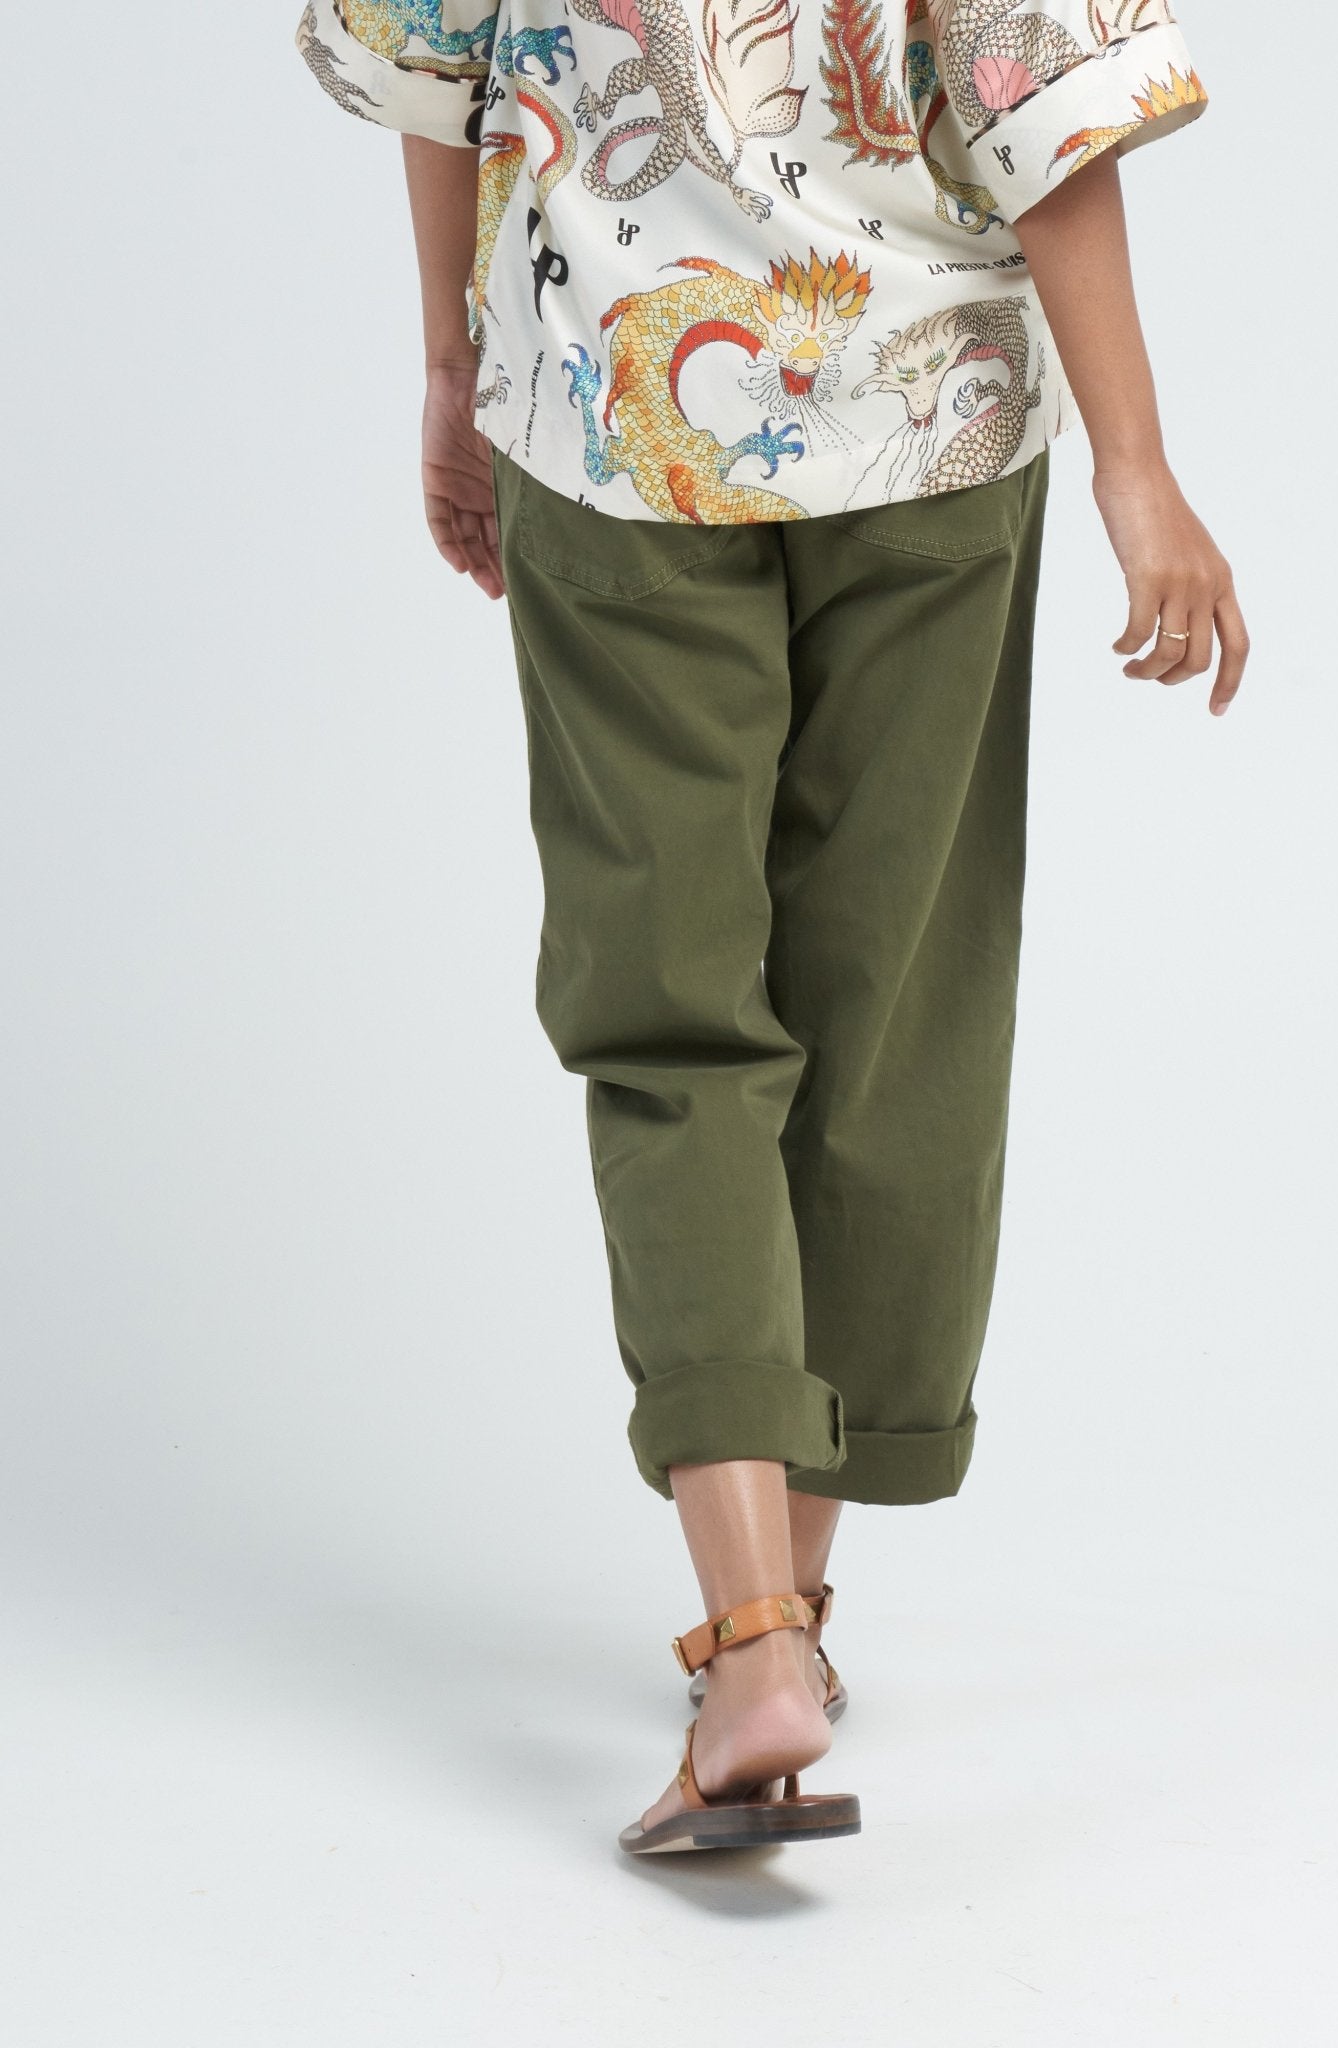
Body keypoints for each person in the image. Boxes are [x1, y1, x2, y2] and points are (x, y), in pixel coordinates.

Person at [294, 0, 1248, 1855]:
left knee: (673, 1024)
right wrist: (1136, 468)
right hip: (930, 415)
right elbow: (1046, 106)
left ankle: (748, 1644)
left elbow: (430, 65)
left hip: (613, 411)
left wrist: (449, 369)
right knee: (892, 1009)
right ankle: (789, 1624)